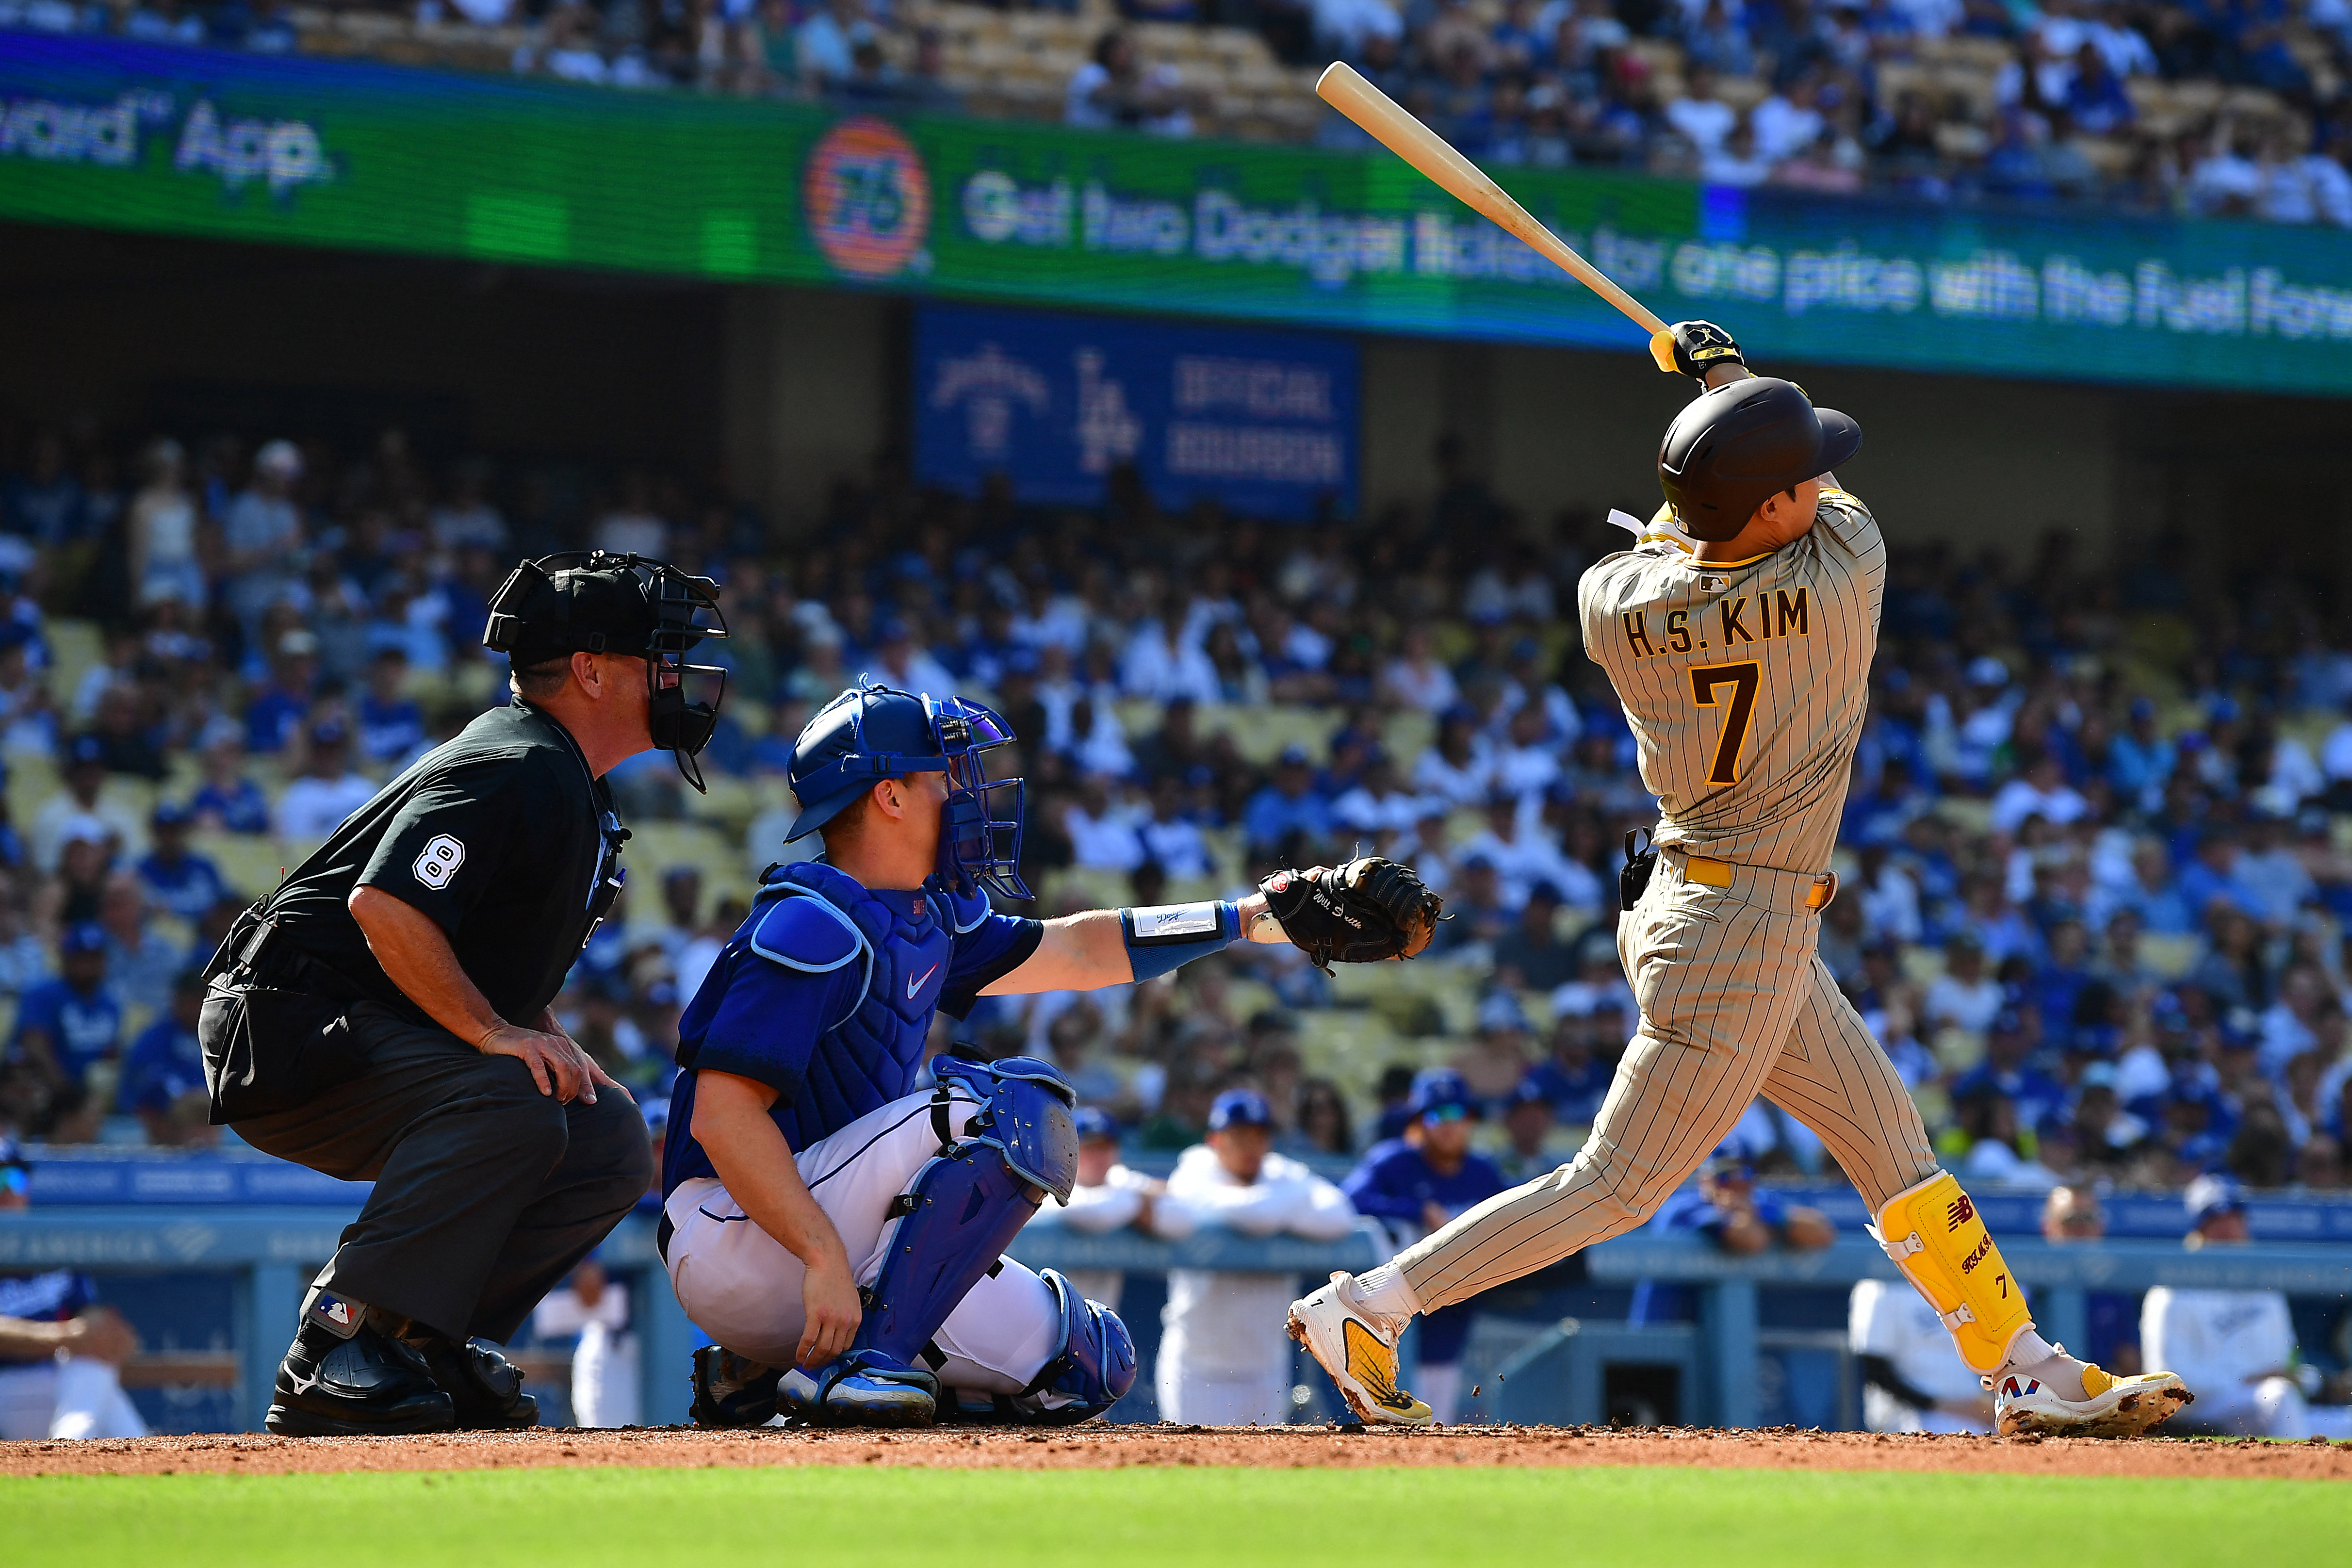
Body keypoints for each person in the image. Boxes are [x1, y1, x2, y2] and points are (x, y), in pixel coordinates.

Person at [1287, 321, 2191, 1439]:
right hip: (1735, 921)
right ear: (1767, 508)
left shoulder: (1612, 599)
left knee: (1889, 1146)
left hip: (1696, 896)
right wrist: (1722, 371)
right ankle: (1367, 1306)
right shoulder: (1841, 573)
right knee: (1615, 1182)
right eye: (1801, 472)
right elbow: (1782, 506)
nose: (1822, 481)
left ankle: (2019, 1366)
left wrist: (1718, 420)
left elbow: (1686, 517)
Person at [662, 684, 1401, 1430]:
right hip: (739, 1235)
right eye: (942, 774)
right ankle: (861, 1368)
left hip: (826, 1244)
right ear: (889, 795)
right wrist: (820, 1255)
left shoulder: (928, 918)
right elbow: (724, 1120)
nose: (961, 790)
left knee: (1086, 1364)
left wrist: (1252, 917)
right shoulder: (808, 924)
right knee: (1005, 1107)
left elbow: (1078, 950)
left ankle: (766, 1375)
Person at [200, 551, 731, 1437]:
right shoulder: (516, 761)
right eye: (659, 654)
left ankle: (420, 1337)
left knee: (603, 1134)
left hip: (355, 1023)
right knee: (510, 1094)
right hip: (289, 1022)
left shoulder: (565, 776)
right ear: (593, 671)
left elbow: (488, 963)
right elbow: (387, 904)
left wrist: (538, 1035)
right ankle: (337, 1339)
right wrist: (494, 1035)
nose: (680, 675)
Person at [1159, 1090, 1357, 1426]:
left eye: (1259, 1135)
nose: (1251, 1146)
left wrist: (1279, 1202)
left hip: (1265, 1366)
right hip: (1198, 1368)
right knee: (1194, 1473)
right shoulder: (1193, 1172)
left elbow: (1340, 1214)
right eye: (1239, 1136)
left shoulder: (1282, 1175)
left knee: (1260, 1475)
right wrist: (1293, 1205)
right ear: (1216, 1140)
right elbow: (1255, 1215)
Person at [1339, 1071, 1505, 1424]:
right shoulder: (1394, 1161)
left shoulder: (1482, 1172)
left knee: (1436, 1417)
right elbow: (1350, 1200)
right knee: (1380, 1421)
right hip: (1387, 1314)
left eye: (1457, 1115)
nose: (1448, 1126)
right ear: (1419, 1123)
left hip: (1452, 1312)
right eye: (1436, 1115)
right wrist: (1417, 1210)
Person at [2141, 1176, 2335, 1439]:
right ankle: (2300, 1477)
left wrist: (2307, 1380)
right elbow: (2168, 1381)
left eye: (2235, 1220)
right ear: (2197, 1229)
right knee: (2280, 1398)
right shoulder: (2171, 1292)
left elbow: (2284, 1360)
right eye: (2217, 1222)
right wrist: (2246, 1380)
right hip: (2204, 1408)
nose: (2228, 1232)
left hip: (2264, 1401)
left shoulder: (2263, 1287)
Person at [0, 1138, 149, 1439]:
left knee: (93, 1370)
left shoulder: (49, 1248)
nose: (6, 1192)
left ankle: (69, 1447)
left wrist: (106, 1334)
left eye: (14, 1180)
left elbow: (90, 1320)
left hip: (57, 1388)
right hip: (6, 1384)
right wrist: (64, 1335)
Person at [1024, 1107, 1198, 1312]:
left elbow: (1185, 1220)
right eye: (1089, 1147)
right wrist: (1138, 1201)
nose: (1098, 1157)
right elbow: (1088, 1213)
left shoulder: (1120, 1185)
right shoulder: (1049, 1182)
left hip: (1097, 1323)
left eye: (1105, 1147)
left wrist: (1128, 1198)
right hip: (1039, 1316)